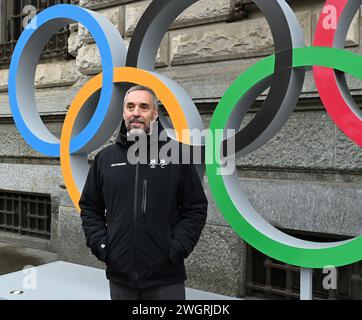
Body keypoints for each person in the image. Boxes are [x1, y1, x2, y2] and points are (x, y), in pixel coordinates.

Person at [79, 85, 208, 300]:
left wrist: (177, 248)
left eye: (143, 106)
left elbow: (195, 207)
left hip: (166, 277)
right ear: (124, 113)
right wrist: (102, 245)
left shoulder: (177, 155)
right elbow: (90, 207)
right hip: (120, 278)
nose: (136, 112)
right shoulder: (105, 158)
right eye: (130, 106)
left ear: (155, 114)